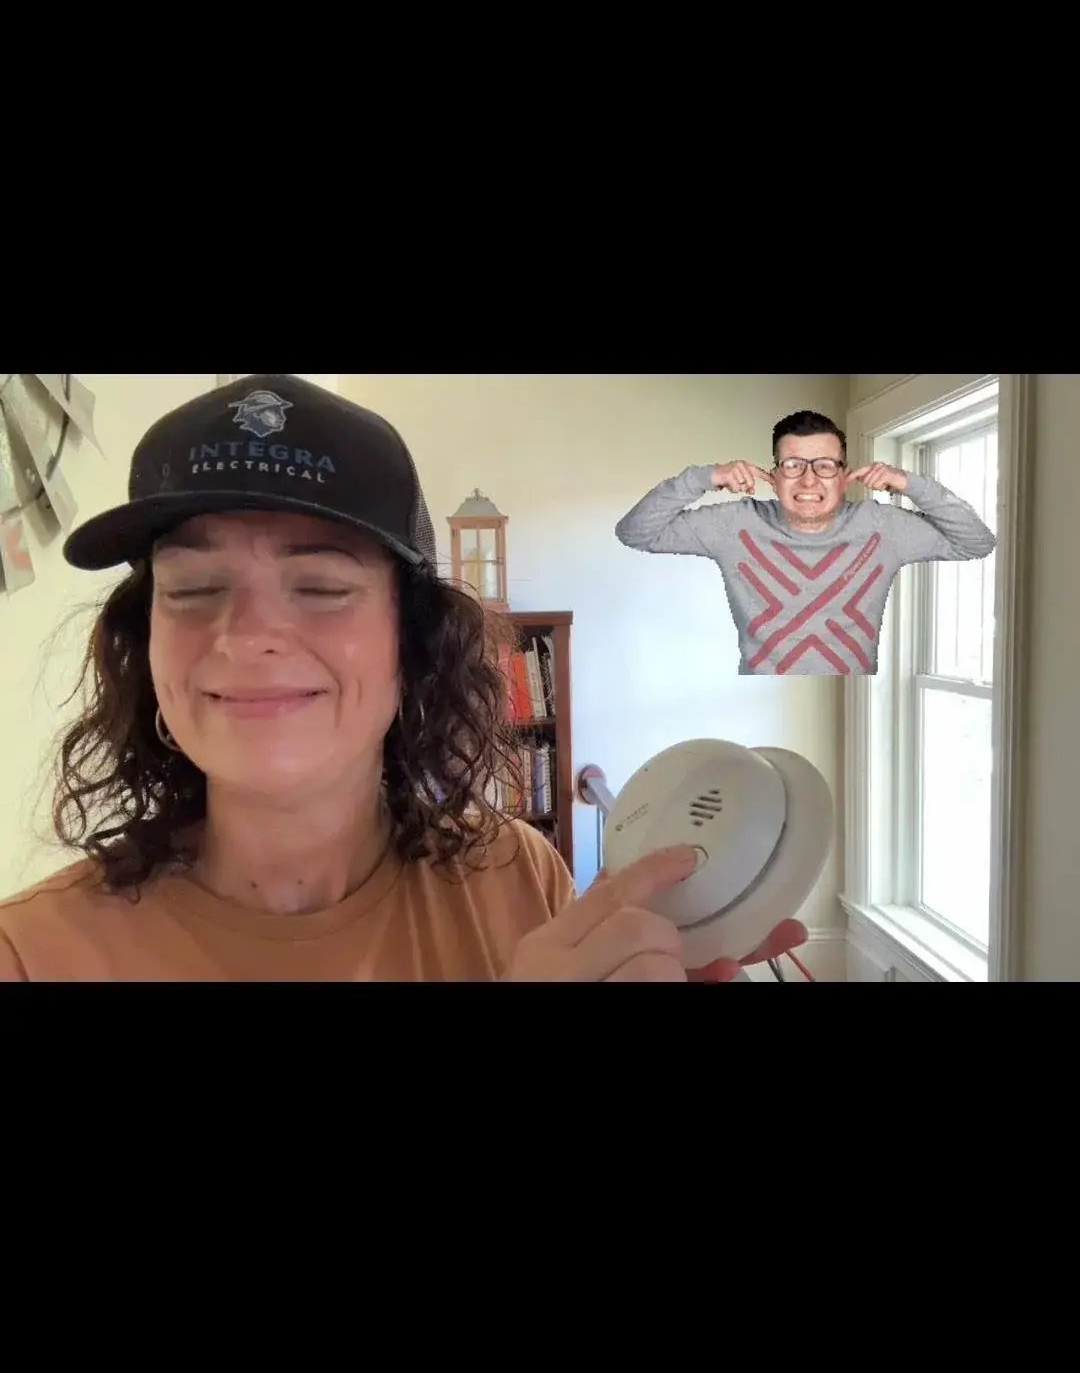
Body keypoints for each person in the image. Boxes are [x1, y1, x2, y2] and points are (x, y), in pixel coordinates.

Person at [0, 374, 802, 985]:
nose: (244, 638)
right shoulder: (32, 952)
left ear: (409, 642)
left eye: (320, 588)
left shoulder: (516, 877)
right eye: (193, 590)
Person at [615, 409, 996, 676]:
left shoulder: (883, 527)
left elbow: (976, 543)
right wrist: (705, 477)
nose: (809, 481)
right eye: (793, 465)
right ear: (773, 475)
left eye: (825, 466)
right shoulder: (734, 523)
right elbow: (635, 532)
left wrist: (912, 485)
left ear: (844, 476)